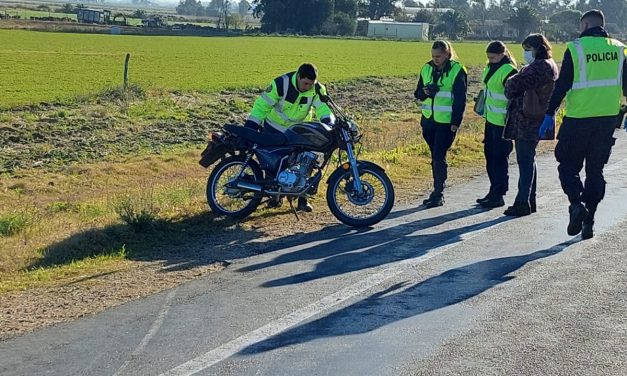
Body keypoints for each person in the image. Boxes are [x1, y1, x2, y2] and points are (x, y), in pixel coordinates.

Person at [540, 9, 627, 239]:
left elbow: (562, 85)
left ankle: (576, 204)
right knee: (595, 171)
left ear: (585, 25)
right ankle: (589, 220)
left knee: (567, 166)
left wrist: (549, 113)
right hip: (607, 120)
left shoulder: (576, 48)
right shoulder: (619, 49)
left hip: (578, 119)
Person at [244, 63, 336, 212]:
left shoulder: (317, 89)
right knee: (272, 164)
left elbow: (323, 108)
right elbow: (262, 105)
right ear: (298, 77)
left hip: (299, 131)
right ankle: (274, 197)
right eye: (305, 83)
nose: (308, 87)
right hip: (275, 127)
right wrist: (250, 126)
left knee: (306, 162)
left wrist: (328, 123)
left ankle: (302, 200)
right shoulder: (281, 83)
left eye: (311, 84)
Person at [502, 34, 559, 216]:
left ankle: (522, 202)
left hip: (527, 119)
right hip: (539, 117)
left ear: (536, 48)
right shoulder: (550, 65)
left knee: (525, 161)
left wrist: (513, 78)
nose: (525, 53)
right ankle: (528, 200)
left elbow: (512, 86)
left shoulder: (538, 67)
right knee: (529, 160)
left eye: (527, 49)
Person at [414, 40, 468, 208]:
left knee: (438, 156)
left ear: (447, 54)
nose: (435, 59)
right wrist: (424, 92)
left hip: (446, 122)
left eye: (438, 56)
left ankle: (438, 193)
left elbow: (460, 99)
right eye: (433, 56)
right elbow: (417, 93)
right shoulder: (426, 68)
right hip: (429, 120)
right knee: (435, 157)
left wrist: (455, 122)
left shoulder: (457, 70)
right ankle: (437, 190)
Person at [476, 41, 518, 209]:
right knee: (490, 157)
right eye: (488, 57)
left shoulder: (509, 70)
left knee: (499, 159)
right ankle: (493, 190)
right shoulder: (490, 68)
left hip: (503, 122)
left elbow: (513, 96)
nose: (490, 60)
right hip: (491, 119)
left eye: (493, 57)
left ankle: (499, 194)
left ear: (502, 54)